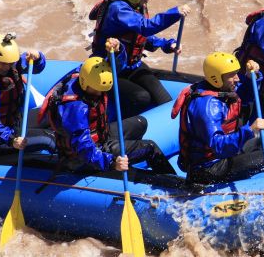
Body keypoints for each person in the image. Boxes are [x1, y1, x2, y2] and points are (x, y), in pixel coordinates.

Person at [40, 39, 175, 173]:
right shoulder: (76, 108)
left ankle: (128, 162)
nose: (100, 93)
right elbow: (84, 148)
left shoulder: (88, 74)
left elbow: (114, 67)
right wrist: (111, 162)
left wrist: (118, 51)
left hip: (101, 135)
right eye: (96, 89)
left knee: (140, 123)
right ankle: (173, 186)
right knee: (149, 147)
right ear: (84, 82)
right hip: (87, 155)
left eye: (103, 89)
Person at [171, 52, 264, 185]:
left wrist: (249, 77)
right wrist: (249, 130)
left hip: (220, 158)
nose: (237, 78)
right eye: (231, 75)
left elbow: (241, 98)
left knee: (257, 142)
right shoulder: (208, 107)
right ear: (216, 78)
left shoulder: (218, 90)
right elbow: (218, 145)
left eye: (236, 73)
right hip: (208, 169)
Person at [89, 0, 191, 118]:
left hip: (132, 65)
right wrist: (175, 13)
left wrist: (167, 44)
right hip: (109, 68)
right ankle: (119, 128)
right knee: (141, 98)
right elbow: (145, 27)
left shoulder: (136, 7)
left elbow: (139, 37)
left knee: (164, 100)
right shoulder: (118, 9)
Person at [0, 33, 55, 159]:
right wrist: (11, 139)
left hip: (12, 123)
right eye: (3, 63)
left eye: (9, 63)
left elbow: (36, 67)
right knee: (48, 140)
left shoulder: (10, 64)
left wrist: (38, 57)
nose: (7, 67)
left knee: (53, 113)